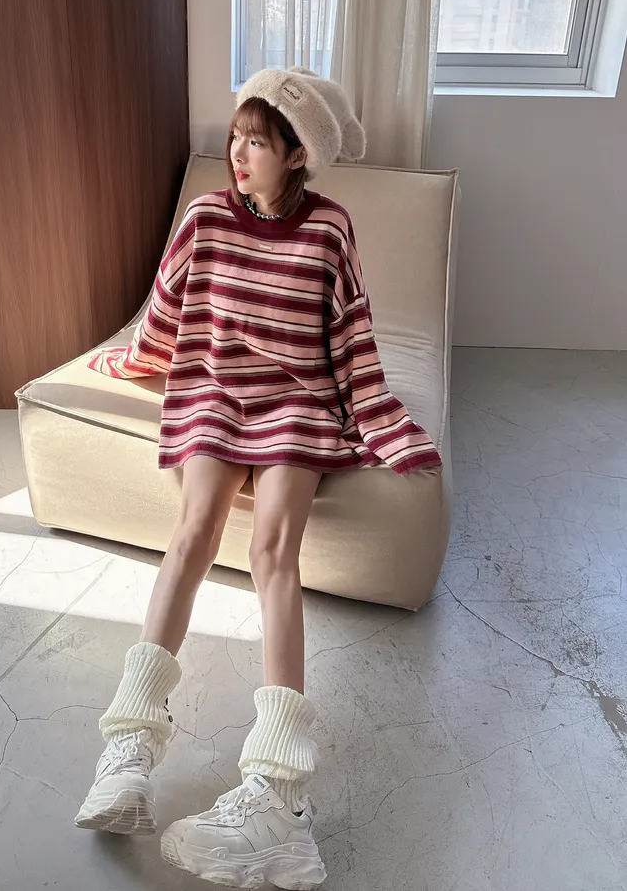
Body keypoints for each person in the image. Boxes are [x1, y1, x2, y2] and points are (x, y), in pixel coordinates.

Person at [74, 67, 441, 889]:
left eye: (258, 142)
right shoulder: (206, 216)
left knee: (275, 553)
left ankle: (279, 794)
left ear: (297, 153)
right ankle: (129, 745)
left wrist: (381, 421)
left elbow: (350, 334)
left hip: (296, 401)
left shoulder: (330, 229)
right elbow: (167, 307)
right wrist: (132, 360)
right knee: (193, 533)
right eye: (236, 138)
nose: (238, 154)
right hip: (213, 387)